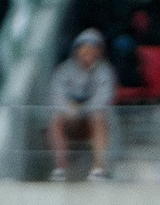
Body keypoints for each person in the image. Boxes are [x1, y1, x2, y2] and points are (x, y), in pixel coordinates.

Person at [47, 30, 116, 181]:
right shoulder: (64, 70)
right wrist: (69, 110)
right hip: (70, 118)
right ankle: (60, 167)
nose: (88, 53)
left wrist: (82, 110)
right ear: (77, 51)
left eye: (93, 50)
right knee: (56, 120)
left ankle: (99, 168)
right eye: (84, 49)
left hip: (92, 119)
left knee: (98, 118)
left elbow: (103, 98)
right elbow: (57, 95)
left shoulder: (105, 71)